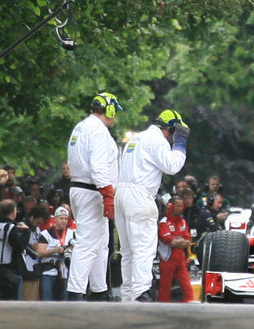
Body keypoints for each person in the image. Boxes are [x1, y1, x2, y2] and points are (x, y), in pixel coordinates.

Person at [115, 108, 189, 303]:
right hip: (139, 195)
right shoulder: (156, 140)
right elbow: (172, 166)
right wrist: (180, 144)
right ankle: (141, 293)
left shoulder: (136, 138)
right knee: (143, 248)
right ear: (172, 128)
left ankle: (129, 294)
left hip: (121, 194)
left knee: (128, 250)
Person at [65, 91, 122, 301]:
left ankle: (99, 290)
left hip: (82, 189)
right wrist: (108, 194)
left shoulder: (81, 127)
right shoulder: (98, 130)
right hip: (93, 191)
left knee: (100, 243)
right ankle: (75, 292)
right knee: (88, 243)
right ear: (109, 109)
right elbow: (98, 168)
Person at [0, 198, 30, 300]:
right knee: (12, 298)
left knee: (1, 297)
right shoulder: (10, 228)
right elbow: (19, 246)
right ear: (13, 212)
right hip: (10, 268)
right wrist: (26, 232)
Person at [157, 196, 194, 302]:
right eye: (178, 206)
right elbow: (168, 241)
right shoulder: (164, 222)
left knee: (187, 286)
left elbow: (188, 241)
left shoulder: (182, 222)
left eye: (182, 206)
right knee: (164, 288)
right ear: (170, 206)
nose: (181, 208)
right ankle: (162, 307)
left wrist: (177, 242)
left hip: (181, 260)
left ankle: (189, 306)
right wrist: (180, 242)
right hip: (167, 260)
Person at [35, 205, 73, 301]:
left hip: (65, 271)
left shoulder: (72, 233)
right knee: (47, 299)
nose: (64, 221)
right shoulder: (45, 234)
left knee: (64, 300)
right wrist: (55, 250)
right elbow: (39, 252)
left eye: (66, 219)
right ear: (55, 219)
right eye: (61, 218)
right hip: (49, 271)